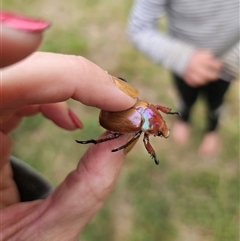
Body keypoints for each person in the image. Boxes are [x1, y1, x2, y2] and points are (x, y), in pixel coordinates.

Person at [0, 11, 139, 240]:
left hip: (122, 122)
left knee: (122, 129)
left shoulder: (140, 120)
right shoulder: (139, 121)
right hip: (120, 121)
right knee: (122, 128)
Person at [127, 0, 239, 155]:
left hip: (227, 65)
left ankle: (212, 130)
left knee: (216, 102)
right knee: (185, 98)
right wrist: (183, 59)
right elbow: (139, 29)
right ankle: (183, 119)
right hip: (184, 66)